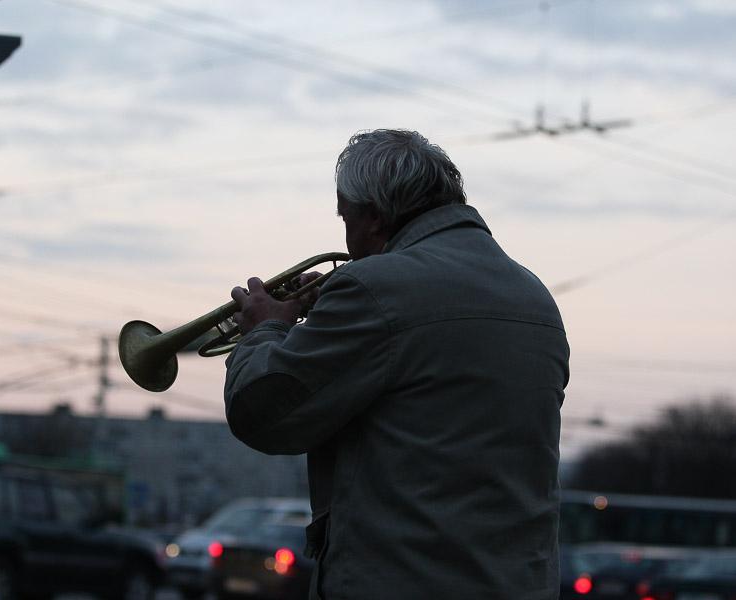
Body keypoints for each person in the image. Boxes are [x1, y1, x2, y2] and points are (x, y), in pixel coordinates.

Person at [225, 129, 569, 600]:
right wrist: (328, 326)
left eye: (346, 218)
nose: (346, 238)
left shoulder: (375, 287)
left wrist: (265, 330)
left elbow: (263, 414)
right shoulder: (534, 295)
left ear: (373, 216)